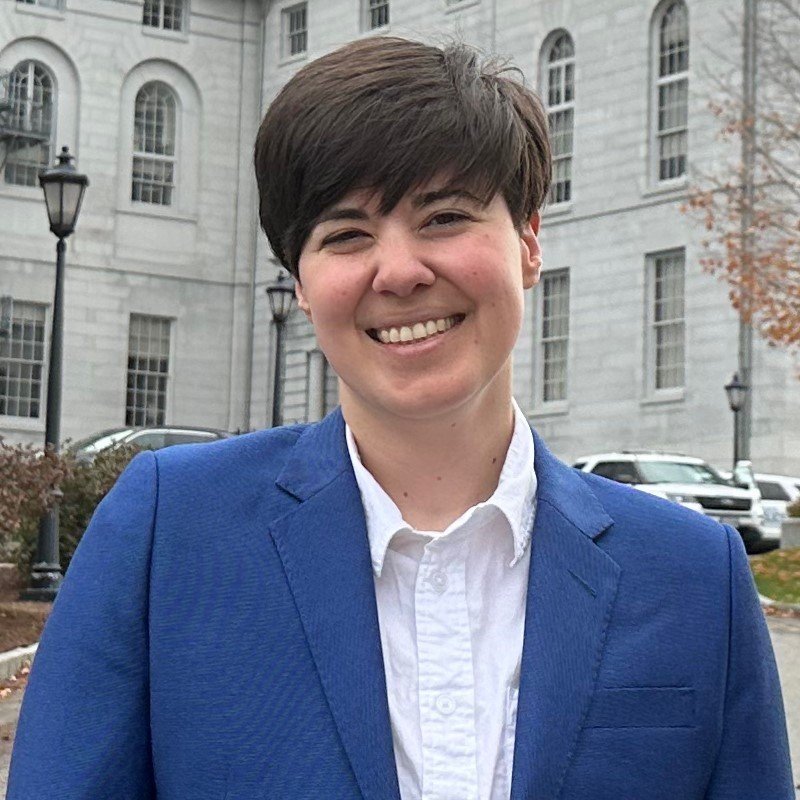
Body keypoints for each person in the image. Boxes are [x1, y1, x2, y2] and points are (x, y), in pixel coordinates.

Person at [8, 36, 793, 800]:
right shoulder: (168, 534)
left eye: (444, 217)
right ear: (302, 285)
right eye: (347, 235)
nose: (400, 271)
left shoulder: (695, 577)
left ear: (527, 243)